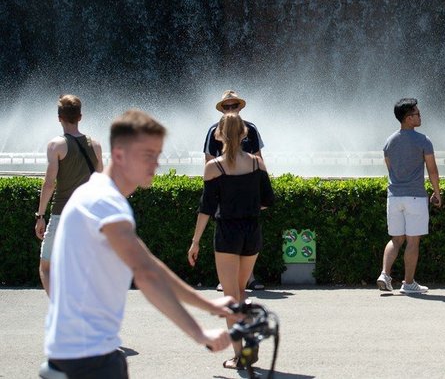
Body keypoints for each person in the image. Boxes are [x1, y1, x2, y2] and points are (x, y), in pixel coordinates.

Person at [44, 110, 234, 378]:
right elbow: (146, 274)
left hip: (77, 353)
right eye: (148, 156)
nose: (156, 164)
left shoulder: (94, 192)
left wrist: (211, 307)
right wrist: (200, 332)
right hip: (88, 360)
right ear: (119, 155)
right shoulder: (106, 202)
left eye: (157, 155)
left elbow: (149, 265)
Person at [189, 113, 274, 370]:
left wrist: (195, 242)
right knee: (240, 291)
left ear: (219, 135)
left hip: (227, 232)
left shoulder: (214, 166)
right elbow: (268, 200)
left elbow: (206, 208)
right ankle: (248, 336)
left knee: (230, 298)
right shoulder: (257, 164)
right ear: (244, 133)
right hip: (252, 231)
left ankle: (241, 354)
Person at [35, 94, 103, 295]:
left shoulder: (56, 145)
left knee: (46, 266)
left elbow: (49, 184)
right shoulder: (96, 145)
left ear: (59, 118)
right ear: (80, 116)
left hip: (61, 214)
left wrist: (40, 216)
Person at [377, 98, 442, 294]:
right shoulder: (423, 140)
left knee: (396, 240)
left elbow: (390, 169)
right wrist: (437, 193)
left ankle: (384, 275)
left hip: (394, 196)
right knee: (413, 241)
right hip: (415, 197)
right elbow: (432, 170)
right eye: (417, 114)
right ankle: (408, 283)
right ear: (407, 118)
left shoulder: (389, 141)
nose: (420, 116)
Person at [203, 90, 266, 291]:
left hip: (247, 189)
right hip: (225, 189)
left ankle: (249, 278)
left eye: (234, 106)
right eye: (227, 106)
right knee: (228, 234)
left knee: (247, 234)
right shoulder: (214, 130)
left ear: (240, 107)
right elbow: (209, 160)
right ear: (222, 109)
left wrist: (260, 188)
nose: (230, 109)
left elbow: (259, 157)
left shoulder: (251, 130)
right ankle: (227, 280)